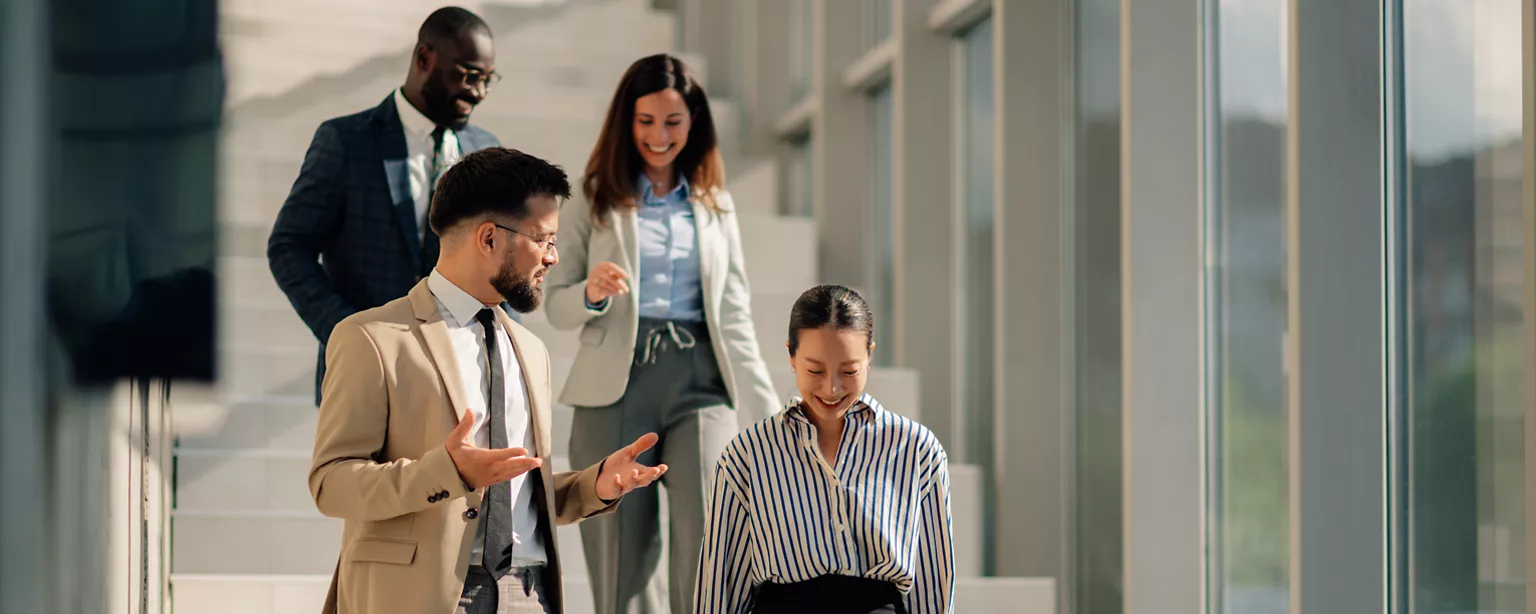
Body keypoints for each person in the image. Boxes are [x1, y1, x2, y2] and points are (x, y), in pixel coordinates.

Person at [308, 148, 668, 614]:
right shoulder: (372, 339)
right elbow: (330, 484)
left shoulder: (532, 351)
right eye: (545, 240)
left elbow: (513, 491)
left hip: (528, 594)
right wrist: (447, 471)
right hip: (423, 597)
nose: (554, 258)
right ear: (489, 238)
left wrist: (592, 486)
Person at [541, 54, 779, 614]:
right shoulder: (592, 196)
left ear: (693, 122)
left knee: (709, 544)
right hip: (614, 386)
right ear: (627, 121)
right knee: (621, 563)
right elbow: (554, 304)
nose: (658, 135)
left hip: (701, 382)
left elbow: (735, 314)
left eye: (672, 122)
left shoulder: (716, 205)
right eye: (646, 121)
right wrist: (592, 293)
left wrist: (771, 415)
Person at [268, 7, 514, 405]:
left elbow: (502, 261)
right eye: (469, 75)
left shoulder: (487, 150)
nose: (479, 91)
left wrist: (499, 343)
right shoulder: (346, 140)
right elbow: (288, 247)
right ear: (423, 58)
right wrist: (345, 331)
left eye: (487, 79)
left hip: (462, 378)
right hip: (363, 377)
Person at [695, 285, 956, 614]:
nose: (831, 388)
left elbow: (933, 582)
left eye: (849, 371)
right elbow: (721, 586)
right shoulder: (747, 455)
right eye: (815, 370)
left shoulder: (917, 450)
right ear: (791, 355)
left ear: (870, 356)